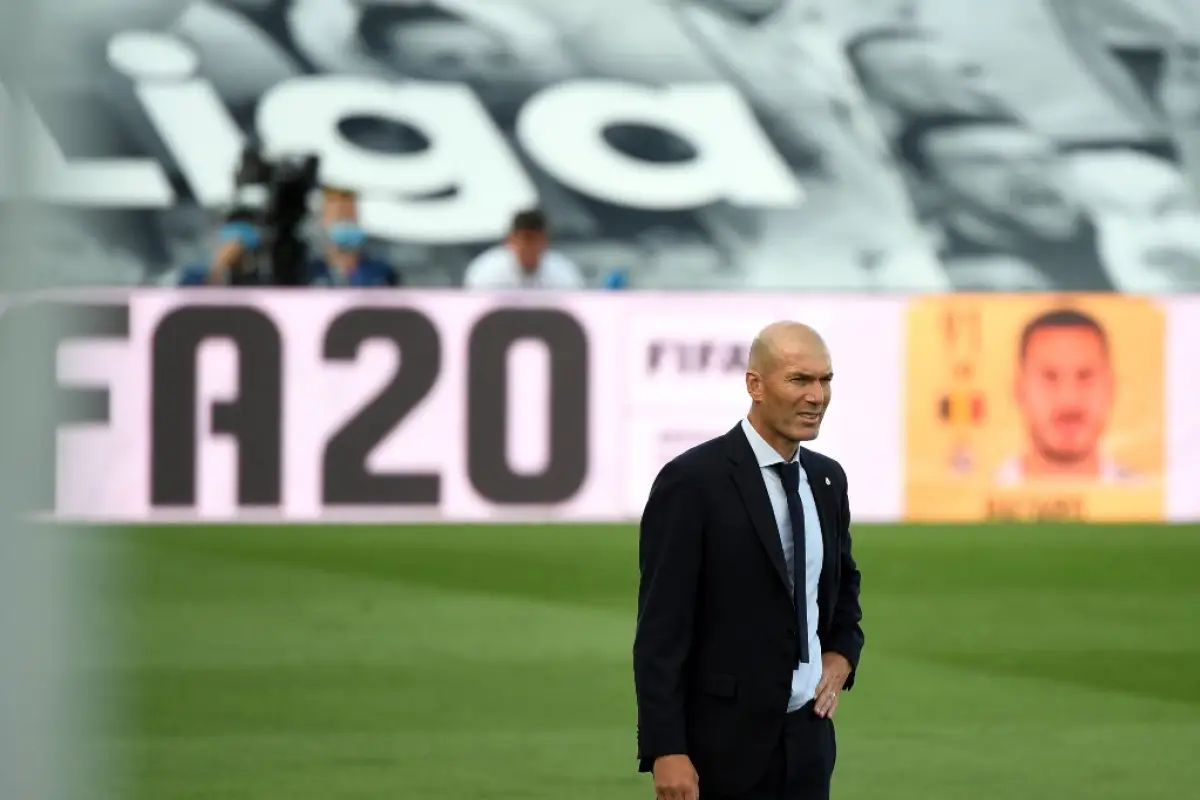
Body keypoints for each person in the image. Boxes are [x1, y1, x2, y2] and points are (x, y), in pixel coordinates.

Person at [634, 321, 864, 800]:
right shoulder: (692, 482)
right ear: (754, 385)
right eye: (799, 380)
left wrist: (843, 650)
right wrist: (665, 748)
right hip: (720, 749)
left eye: (826, 380)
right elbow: (661, 627)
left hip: (808, 743)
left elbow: (843, 583)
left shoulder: (827, 480)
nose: (817, 396)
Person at [996, 308, 1134, 485]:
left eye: (1085, 376)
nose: (1069, 399)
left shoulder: (1155, 505)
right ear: (1019, 390)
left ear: (1111, 388)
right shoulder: (974, 503)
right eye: (1050, 377)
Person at [462, 208, 585, 289]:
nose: (531, 246)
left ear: (545, 241)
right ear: (511, 240)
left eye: (538, 239)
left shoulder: (564, 274)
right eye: (527, 239)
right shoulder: (487, 273)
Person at [307, 186, 399, 286]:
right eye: (338, 216)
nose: (344, 221)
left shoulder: (381, 273)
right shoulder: (309, 273)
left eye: (349, 215)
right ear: (322, 220)